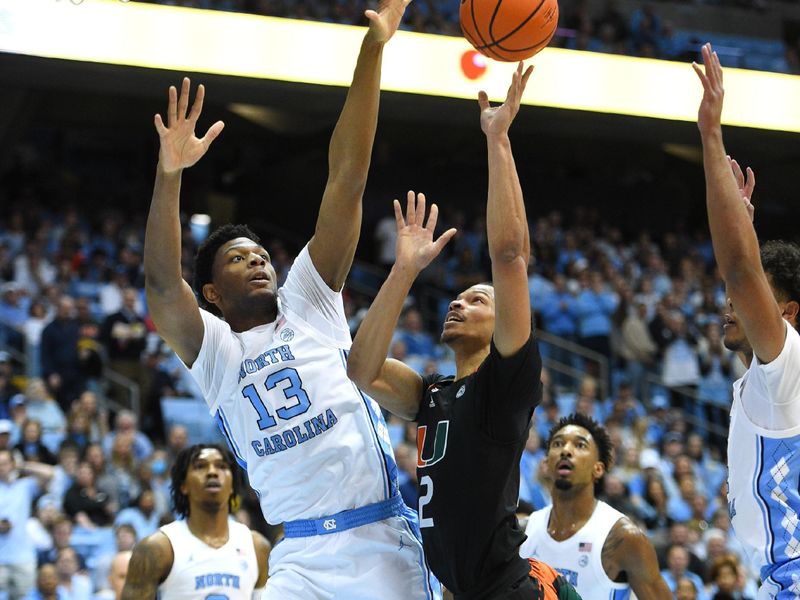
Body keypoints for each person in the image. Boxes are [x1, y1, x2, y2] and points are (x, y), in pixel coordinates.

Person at [141, 0, 440, 596]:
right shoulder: (217, 352)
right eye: (236, 258)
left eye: (259, 254)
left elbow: (346, 176)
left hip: (379, 540)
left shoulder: (309, 299)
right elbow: (157, 284)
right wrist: (170, 173)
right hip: (300, 556)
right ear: (212, 294)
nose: (256, 260)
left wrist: (373, 49)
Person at [347, 64, 579, 599]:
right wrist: (404, 270)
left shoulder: (506, 382)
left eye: (478, 300)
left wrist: (497, 140)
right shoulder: (432, 393)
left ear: (504, 325)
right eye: (456, 297)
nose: (458, 302)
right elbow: (361, 369)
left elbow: (511, 255)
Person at [694, 42, 800, 597]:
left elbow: (738, 269)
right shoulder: (768, 377)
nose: (729, 303)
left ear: (788, 313)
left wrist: (711, 135)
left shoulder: (787, 363)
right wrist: (744, 222)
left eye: (755, 296)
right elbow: (742, 271)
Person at [519, 413, 671, 599]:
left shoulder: (623, 538)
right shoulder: (522, 532)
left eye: (580, 445)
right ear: (546, 464)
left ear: (598, 468)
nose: (566, 451)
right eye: (558, 444)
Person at [121, 444, 269, 599]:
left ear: (232, 485)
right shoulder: (157, 548)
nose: (212, 472)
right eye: (200, 466)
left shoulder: (257, 547)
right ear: (183, 485)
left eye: (221, 466)